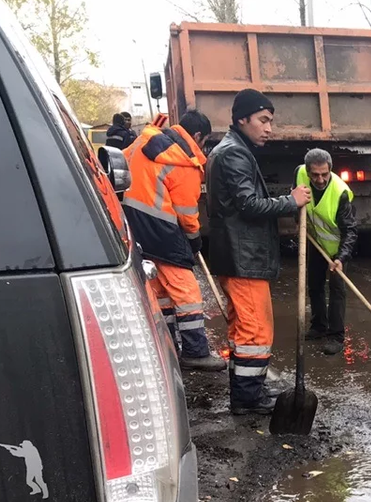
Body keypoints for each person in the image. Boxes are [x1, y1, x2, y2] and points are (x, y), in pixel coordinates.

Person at [206, 88, 311, 415]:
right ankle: (249, 397)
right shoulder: (234, 154)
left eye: (270, 121)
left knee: (242, 330)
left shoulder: (230, 150)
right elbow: (248, 204)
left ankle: (247, 388)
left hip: (236, 256)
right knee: (255, 331)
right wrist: (290, 201)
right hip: (243, 260)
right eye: (263, 120)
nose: (269, 128)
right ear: (242, 119)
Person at [123, 109, 224, 371]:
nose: (204, 147)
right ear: (198, 136)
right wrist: (193, 242)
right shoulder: (184, 162)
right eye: (205, 141)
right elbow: (188, 213)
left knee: (161, 289)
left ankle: (168, 347)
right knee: (187, 290)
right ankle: (195, 352)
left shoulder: (144, 140)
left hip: (133, 223)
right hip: (162, 228)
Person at [295, 148, 357, 356]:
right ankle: (319, 325)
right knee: (314, 285)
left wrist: (341, 258)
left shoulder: (340, 193)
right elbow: (296, 199)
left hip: (338, 248)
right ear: (307, 170)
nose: (320, 179)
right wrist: (298, 220)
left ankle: (336, 335)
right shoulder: (300, 173)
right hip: (316, 241)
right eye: (315, 175)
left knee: (337, 290)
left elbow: (350, 230)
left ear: (331, 169)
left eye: (324, 174)